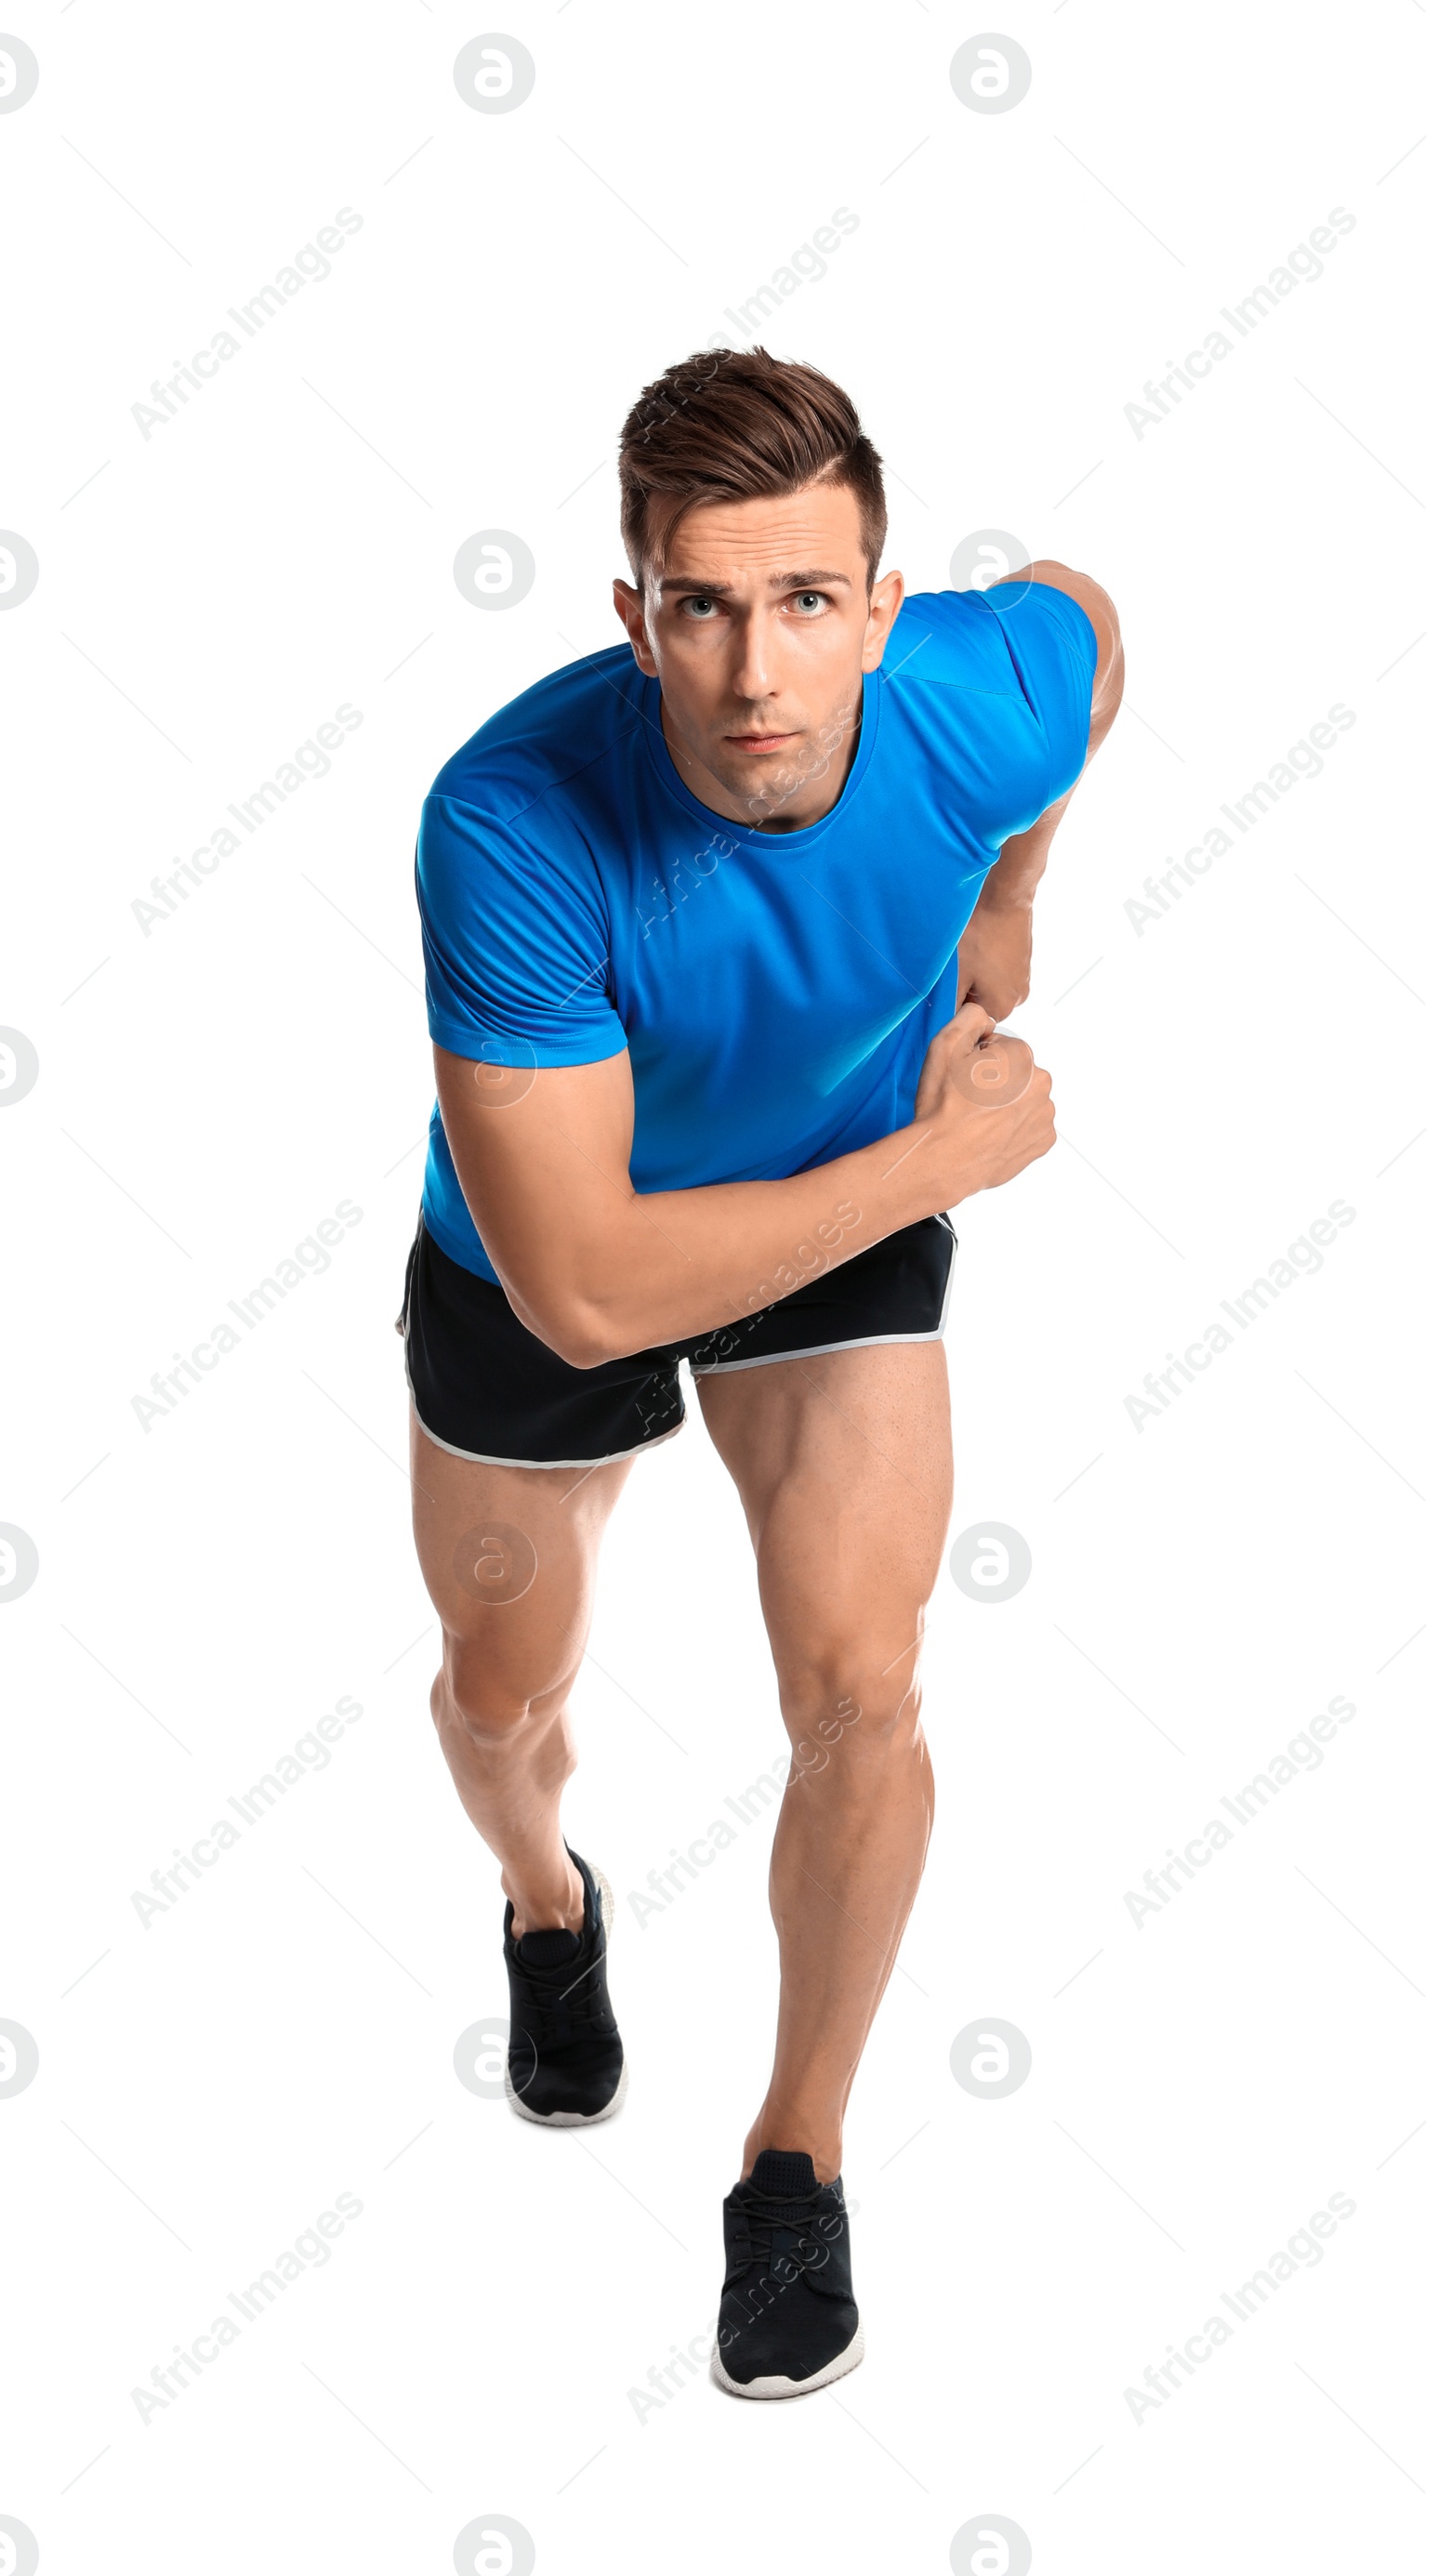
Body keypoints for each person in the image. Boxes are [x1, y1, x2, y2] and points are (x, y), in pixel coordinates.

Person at [400, 347, 1123, 2399]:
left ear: (882, 607)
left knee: (863, 1687)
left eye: (806, 602)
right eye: (700, 607)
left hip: (837, 1191)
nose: (752, 673)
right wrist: (942, 1155)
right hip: (567, 1253)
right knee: (496, 1697)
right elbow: (588, 1291)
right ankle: (547, 1907)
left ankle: (789, 2157)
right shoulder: (508, 821)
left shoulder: (973, 698)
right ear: (633, 613)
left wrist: (1009, 886)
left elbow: (1092, 628)